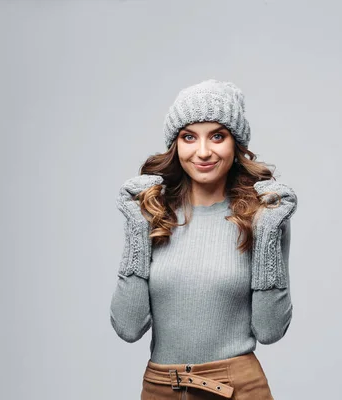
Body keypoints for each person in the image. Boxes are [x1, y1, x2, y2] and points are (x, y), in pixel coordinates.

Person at [110, 79, 298, 399]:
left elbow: (270, 330)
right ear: (176, 145)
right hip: (161, 389)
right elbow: (128, 327)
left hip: (236, 389)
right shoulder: (153, 214)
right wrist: (136, 230)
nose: (203, 152)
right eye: (188, 137)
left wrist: (266, 234)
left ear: (235, 144)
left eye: (217, 136)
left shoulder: (262, 216)